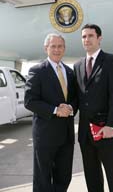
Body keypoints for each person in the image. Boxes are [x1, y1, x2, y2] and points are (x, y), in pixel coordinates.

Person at [74, 24, 113, 192]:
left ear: (99, 38)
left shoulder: (111, 61)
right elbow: (78, 97)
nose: (86, 39)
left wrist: (112, 125)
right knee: (92, 176)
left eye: (90, 36)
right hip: (85, 133)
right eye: (83, 36)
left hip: (106, 129)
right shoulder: (78, 65)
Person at [24, 33, 77, 192]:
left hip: (66, 134)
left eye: (60, 46)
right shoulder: (37, 71)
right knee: (43, 178)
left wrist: (70, 108)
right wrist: (55, 110)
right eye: (53, 46)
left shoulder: (69, 72)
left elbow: (75, 98)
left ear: (64, 49)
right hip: (45, 135)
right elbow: (30, 101)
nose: (57, 49)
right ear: (46, 48)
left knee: (64, 176)